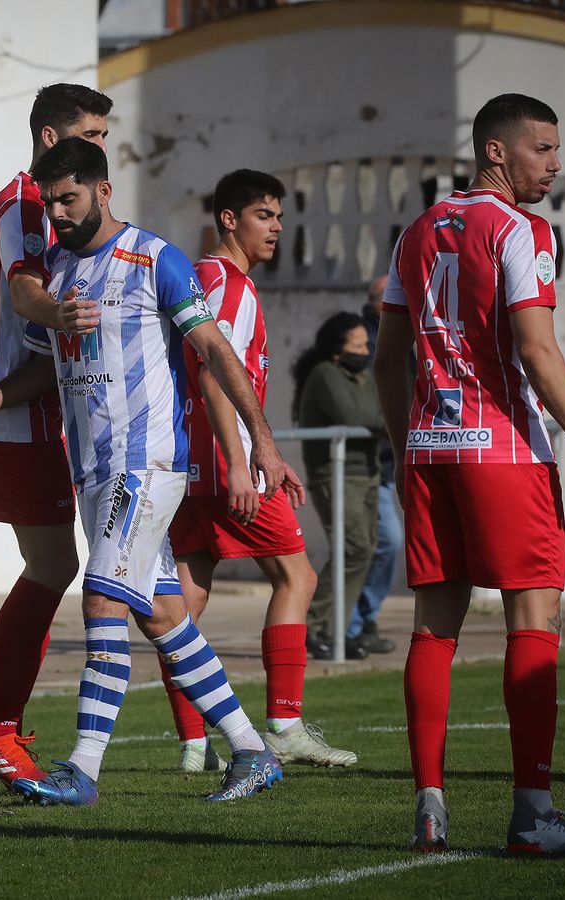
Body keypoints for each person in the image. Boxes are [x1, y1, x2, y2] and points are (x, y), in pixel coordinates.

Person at [0, 138, 299, 806]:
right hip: (95, 469)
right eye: (48, 202)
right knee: (164, 617)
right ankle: (252, 751)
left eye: (68, 198)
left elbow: (216, 352)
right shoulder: (56, 269)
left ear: (103, 191)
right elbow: (48, 365)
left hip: (148, 462)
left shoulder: (154, 258)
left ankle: (82, 769)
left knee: (103, 600)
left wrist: (264, 444)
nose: (57, 212)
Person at [374, 93, 565, 854]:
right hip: (506, 450)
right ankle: (534, 815)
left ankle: (429, 802)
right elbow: (537, 349)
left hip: (430, 450)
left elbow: (389, 356)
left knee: (433, 627)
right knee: (534, 621)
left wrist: (406, 436)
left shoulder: (415, 232)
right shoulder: (518, 228)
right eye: (542, 149)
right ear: (495, 153)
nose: (554, 163)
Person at [161, 169, 356, 772]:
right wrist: (246, 463)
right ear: (229, 219)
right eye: (263, 215)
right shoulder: (231, 286)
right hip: (224, 464)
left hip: (187, 464)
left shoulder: (198, 277)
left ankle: (194, 746)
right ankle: (285, 725)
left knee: (184, 603)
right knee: (298, 578)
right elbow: (214, 372)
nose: (276, 227)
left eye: (278, 216)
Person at [0, 83, 111, 790]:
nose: (105, 147)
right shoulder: (25, 204)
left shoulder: (57, 205)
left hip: (42, 410)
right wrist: (64, 317)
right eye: (94, 134)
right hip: (17, 415)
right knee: (54, 569)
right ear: (52, 139)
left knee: (63, 570)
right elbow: (23, 292)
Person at [292, 312, 385, 662]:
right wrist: (387, 419)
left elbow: (379, 411)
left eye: (366, 343)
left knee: (362, 551)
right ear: (337, 349)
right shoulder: (325, 375)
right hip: (335, 474)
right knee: (351, 548)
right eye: (358, 344)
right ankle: (311, 626)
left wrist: (384, 418)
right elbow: (360, 416)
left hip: (367, 472)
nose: (365, 350)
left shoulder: (363, 375)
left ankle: (334, 632)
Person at [353, 276, 399, 654]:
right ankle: (354, 623)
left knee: (378, 544)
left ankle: (359, 621)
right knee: (375, 543)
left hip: (392, 459)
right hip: (366, 463)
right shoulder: (365, 338)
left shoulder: (407, 332)